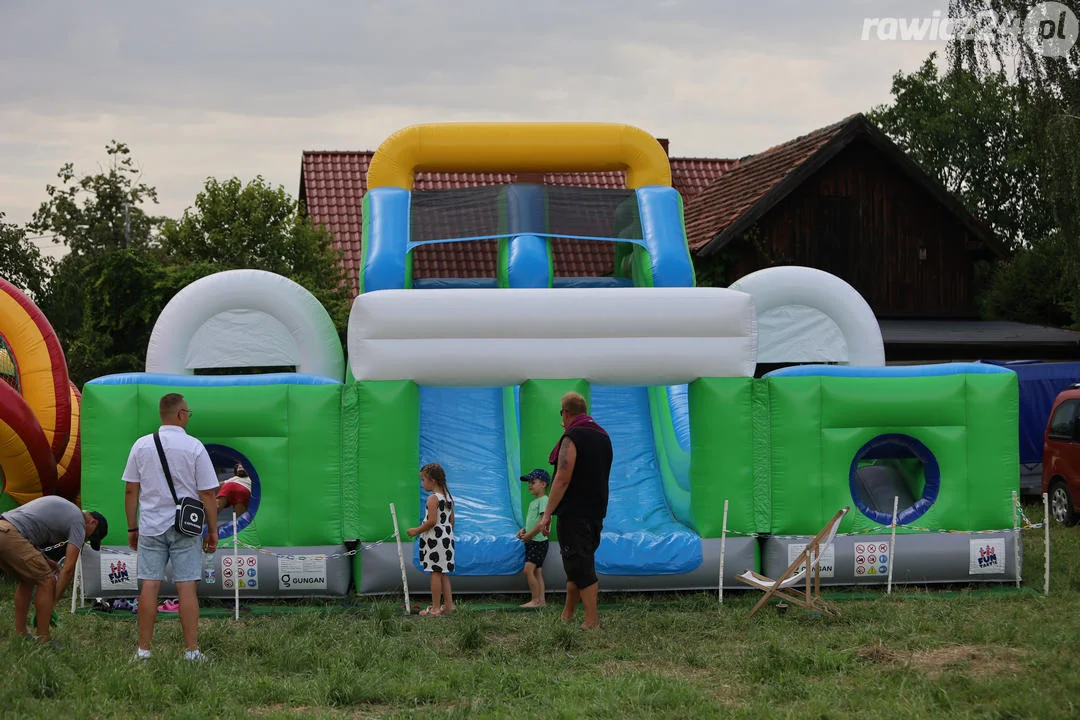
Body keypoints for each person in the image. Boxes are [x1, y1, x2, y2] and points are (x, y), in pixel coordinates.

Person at [123, 393, 219, 661]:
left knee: (149, 587)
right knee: (186, 587)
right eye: (188, 412)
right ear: (180, 414)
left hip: (151, 526)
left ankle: (143, 651)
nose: (188, 416)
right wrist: (212, 530)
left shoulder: (141, 446)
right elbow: (208, 495)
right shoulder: (194, 447)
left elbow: (131, 490)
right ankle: (191, 652)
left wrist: (132, 528)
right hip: (186, 527)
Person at [538, 391, 612, 630]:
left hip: (574, 511)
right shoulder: (603, 435)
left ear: (566, 413)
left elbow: (562, 478)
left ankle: (592, 621)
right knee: (576, 562)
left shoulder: (573, 437)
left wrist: (547, 512)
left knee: (581, 565)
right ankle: (567, 614)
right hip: (596, 509)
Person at [0, 495, 108, 644]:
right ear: (92, 522)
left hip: (4, 528)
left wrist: (44, 560)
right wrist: (52, 602)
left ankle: (21, 635)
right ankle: (43, 639)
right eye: (91, 537)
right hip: (11, 534)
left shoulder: (68, 510)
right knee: (47, 581)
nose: (86, 540)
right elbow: (69, 568)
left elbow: (28, 527)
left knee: (27, 580)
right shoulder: (79, 521)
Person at [406, 462, 455, 616]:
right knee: (443, 573)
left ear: (432, 480)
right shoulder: (448, 498)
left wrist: (416, 531)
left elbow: (432, 521)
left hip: (435, 540)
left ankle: (435, 608)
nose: (422, 483)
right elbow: (451, 522)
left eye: (423, 480)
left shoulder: (433, 498)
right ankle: (448, 605)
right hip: (446, 539)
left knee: (435, 572)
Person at [515, 468, 550, 608]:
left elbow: (543, 522)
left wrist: (529, 535)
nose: (530, 485)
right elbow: (533, 521)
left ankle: (535, 600)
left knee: (528, 570)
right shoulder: (534, 502)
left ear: (544, 484)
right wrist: (524, 530)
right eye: (529, 482)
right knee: (537, 571)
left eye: (533, 482)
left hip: (538, 541)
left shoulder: (544, 500)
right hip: (533, 540)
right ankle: (541, 601)